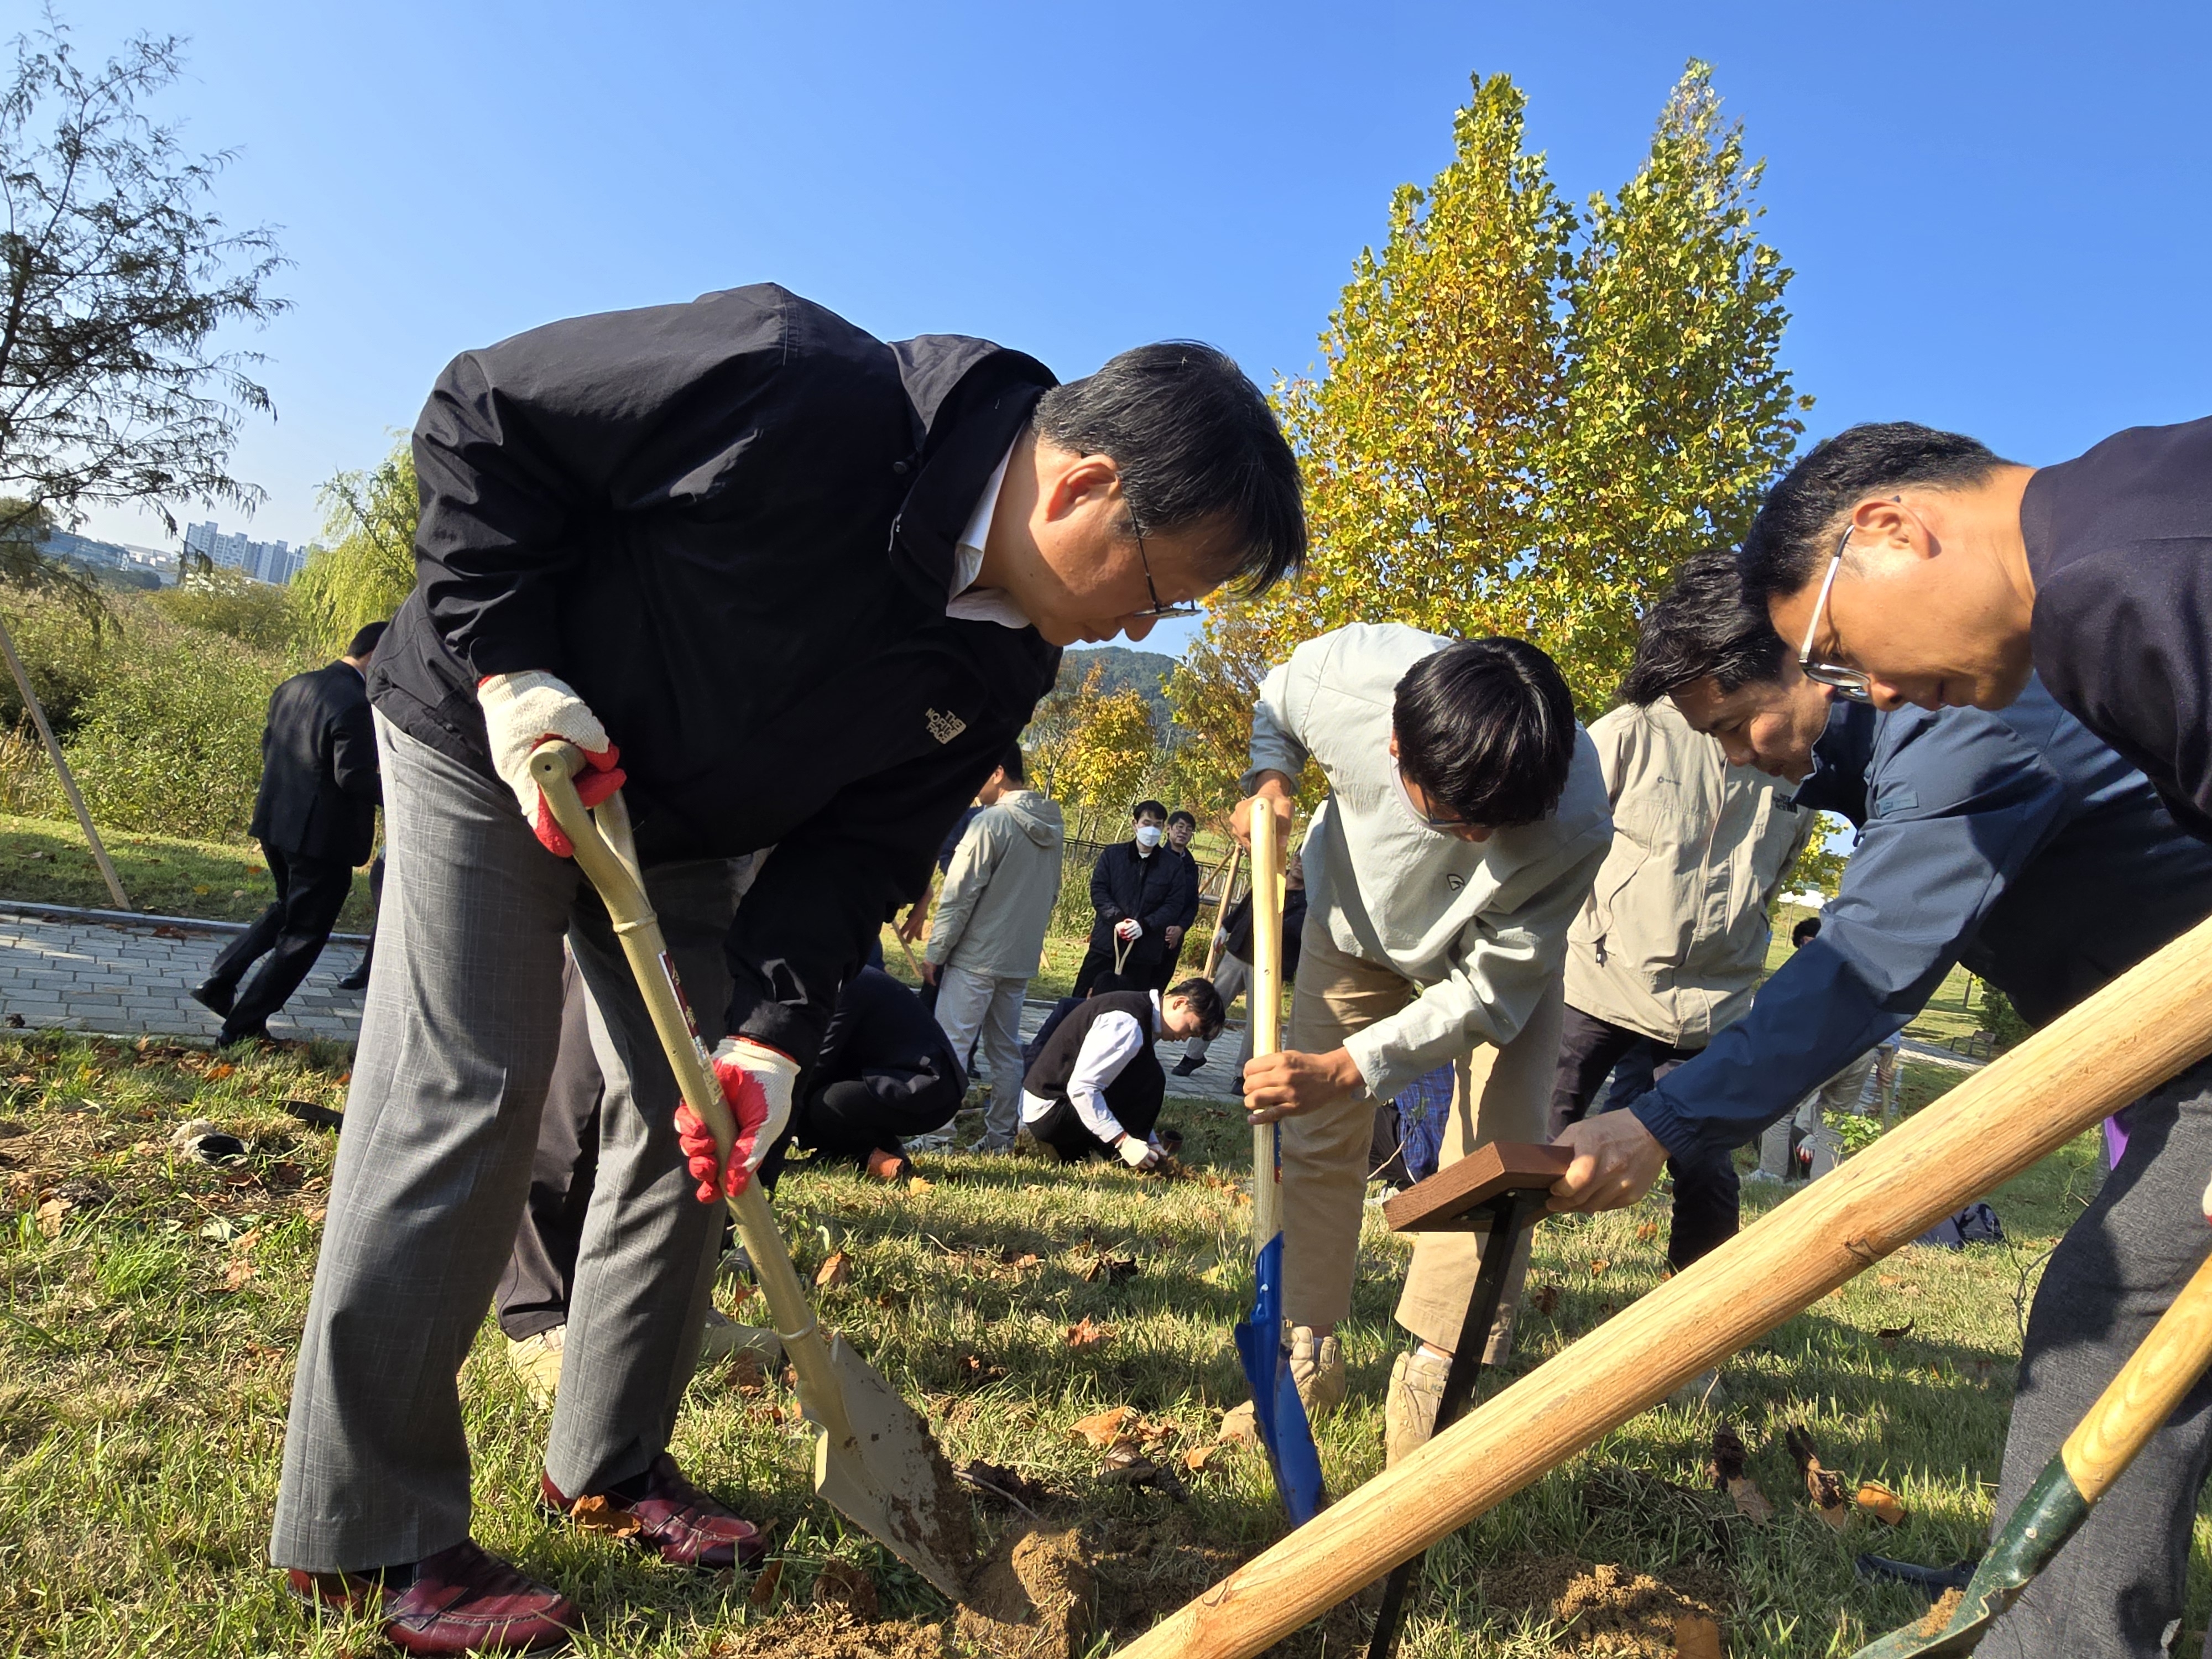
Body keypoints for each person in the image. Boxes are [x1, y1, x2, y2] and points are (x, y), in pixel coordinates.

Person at [270, 284, 1305, 1655]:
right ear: (1086, 484)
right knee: (475, 1086)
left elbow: (854, 849)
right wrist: (514, 664)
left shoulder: (1002, 669)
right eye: (1161, 586)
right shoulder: (793, 382)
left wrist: (769, 1026)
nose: (1141, 629)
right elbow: (483, 414)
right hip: (494, 741)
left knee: (698, 1124)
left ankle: (610, 1460)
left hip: (690, 825)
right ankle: (369, 1529)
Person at [1556, 542, 2212, 1659]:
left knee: (2115, 1306)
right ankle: (2043, 1572)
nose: (1734, 759)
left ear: (1809, 659)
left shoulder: (1962, 726)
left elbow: (1860, 969)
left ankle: (2059, 1635)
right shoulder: (1873, 750)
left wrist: (1663, 1121)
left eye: (1733, 724)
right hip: (2161, 1044)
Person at [1233, 622, 1611, 1465]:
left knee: (1496, 1159)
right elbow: (1277, 701)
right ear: (1395, 744)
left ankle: (1442, 1366)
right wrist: (1271, 777)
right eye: (1454, 819)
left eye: (1498, 826)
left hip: (1494, 959)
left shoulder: (1579, 816)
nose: (1478, 839)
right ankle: (1306, 1349)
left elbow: (1487, 990)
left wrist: (1354, 1065)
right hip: (1353, 919)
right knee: (1318, 1134)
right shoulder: (1346, 678)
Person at [1551, 564, 1818, 1267]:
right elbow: (1566, 835)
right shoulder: (1633, 730)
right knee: (1534, 1135)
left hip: (1710, 1002)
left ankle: (1695, 1336)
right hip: (1598, 978)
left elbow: (1776, 873)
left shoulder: (1797, 752)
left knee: (1706, 1166)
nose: (1735, 745)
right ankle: (1476, 1307)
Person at [192, 620, 387, 1045]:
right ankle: (242, 1027)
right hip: (322, 838)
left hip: (276, 822)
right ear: (376, 656)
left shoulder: (295, 685)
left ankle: (220, 981)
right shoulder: (355, 702)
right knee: (305, 934)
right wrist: (402, 797)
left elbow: (271, 747)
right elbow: (352, 776)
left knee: (287, 908)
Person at [920, 745, 1065, 1150]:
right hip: (1017, 960)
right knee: (1005, 1051)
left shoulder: (992, 823)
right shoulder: (1053, 826)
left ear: (998, 772)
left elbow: (959, 894)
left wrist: (937, 950)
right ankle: (1000, 1137)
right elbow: (1051, 893)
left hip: (975, 956)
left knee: (952, 1044)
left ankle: (937, 1136)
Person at [1020, 977, 1224, 1165]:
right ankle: (1091, 1149)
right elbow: (1083, 1089)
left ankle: (1074, 1149)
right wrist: (1123, 1142)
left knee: (1146, 1073)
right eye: (1190, 1029)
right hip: (1050, 1112)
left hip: (1054, 1105)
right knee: (1151, 1079)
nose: (1185, 1038)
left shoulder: (1137, 1010)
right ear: (1179, 1003)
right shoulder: (1127, 1023)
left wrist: (1151, 1142)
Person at [1171, 848, 1306, 1078]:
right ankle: (1192, 1056)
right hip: (1238, 953)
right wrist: (1225, 928)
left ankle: (1243, 1073)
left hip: (1269, 965)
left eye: (1307, 860)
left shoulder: (1311, 899)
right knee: (1213, 1004)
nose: (1300, 864)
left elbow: (1300, 935)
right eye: (1298, 857)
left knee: (1257, 1020)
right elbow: (1245, 905)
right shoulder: (1272, 880)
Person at [1072, 800, 1187, 995]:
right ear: (1135, 825)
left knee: (1131, 1008)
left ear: (1163, 828)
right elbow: (1099, 890)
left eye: (1157, 825)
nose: (1151, 830)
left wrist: (1144, 925)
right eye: (1146, 823)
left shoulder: (1173, 866)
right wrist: (1117, 920)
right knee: (1083, 1000)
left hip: (1144, 953)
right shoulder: (1113, 855)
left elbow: (1173, 905)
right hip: (1106, 945)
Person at [1145, 809, 1203, 991]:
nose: (1183, 832)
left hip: (1175, 937)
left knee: (1159, 985)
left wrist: (1180, 928)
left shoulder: (1191, 865)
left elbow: (1193, 901)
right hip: (1152, 931)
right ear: (1169, 829)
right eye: (1180, 827)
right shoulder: (1156, 859)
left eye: (1189, 829)